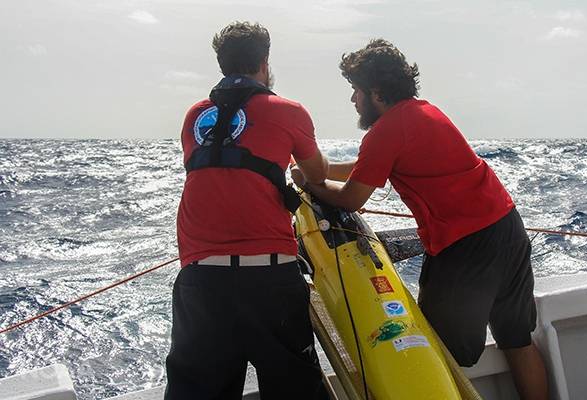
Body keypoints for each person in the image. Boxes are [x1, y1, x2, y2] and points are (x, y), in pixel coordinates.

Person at [292, 39, 548, 399]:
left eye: (356, 91)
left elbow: (352, 195)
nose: (353, 100)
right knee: (517, 341)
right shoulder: (425, 113)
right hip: (508, 228)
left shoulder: (388, 129)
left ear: (376, 92)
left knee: (431, 350)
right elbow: (367, 166)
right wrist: (316, 170)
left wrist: (310, 184)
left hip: (467, 247)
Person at [165, 21, 329, 399]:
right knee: (294, 390)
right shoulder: (288, 111)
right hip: (270, 278)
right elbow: (316, 173)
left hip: (201, 279)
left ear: (222, 64)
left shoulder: (194, 116)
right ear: (264, 61)